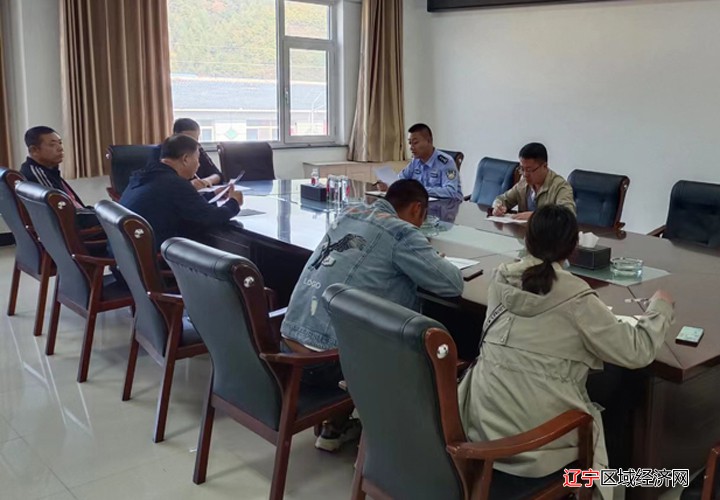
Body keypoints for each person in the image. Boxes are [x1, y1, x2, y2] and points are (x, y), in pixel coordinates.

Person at [457, 205, 674, 499]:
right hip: (533, 454)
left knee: (603, 380)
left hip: (479, 431)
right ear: (573, 249)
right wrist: (660, 308)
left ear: (526, 240)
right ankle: (636, 480)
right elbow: (637, 351)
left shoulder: (500, 280)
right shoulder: (577, 298)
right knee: (619, 388)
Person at [281, 179, 464, 452]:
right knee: (413, 343)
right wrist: (432, 258)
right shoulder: (400, 231)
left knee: (365, 307)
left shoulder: (349, 214)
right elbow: (452, 284)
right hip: (329, 364)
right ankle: (397, 447)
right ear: (417, 209)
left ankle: (335, 428)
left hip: (288, 348)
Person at [120, 134, 243, 251]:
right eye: (197, 159)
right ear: (185, 159)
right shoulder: (174, 183)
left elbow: (185, 204)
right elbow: (210, 217)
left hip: (126, 250)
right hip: (154, 254)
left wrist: (213, 194)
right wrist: (234, 202)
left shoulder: (145, 175)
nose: (199, 165)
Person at [20, 126, 99, 228]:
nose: (60, 148)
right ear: (34, 150)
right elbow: (67, 214)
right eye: (52, 145)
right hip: (76, 231)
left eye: (60, 143)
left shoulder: (48, 170)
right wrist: (104, 216)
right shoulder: (37, 174)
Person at [492, 143, 575, 220]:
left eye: (529, 170)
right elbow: (502, 199)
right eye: (522, 169)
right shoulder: (523, 183)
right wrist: (498, 207)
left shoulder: (560, 187)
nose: (525, 174)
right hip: (523, 230)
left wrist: (535, 216)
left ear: (544, 166)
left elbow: (567, 216)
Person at [378, 123, 462, 200]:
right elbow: (400, 180)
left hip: (447, 207)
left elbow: (450, 191)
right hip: (422, 205)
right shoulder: (415, 161)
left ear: (429, 141)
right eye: (410, 143)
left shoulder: (446, 162)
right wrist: (389, 185)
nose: (411, 147)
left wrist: (419, 191)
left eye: (415, 143)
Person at [171, 118, 224, 189]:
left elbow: (218, 175)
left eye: (196, 139)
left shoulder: (197, 149)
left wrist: (207, 181)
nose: (193, 144)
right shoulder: (165, 153)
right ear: (175, 136)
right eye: (188, 139)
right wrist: (188, 185)